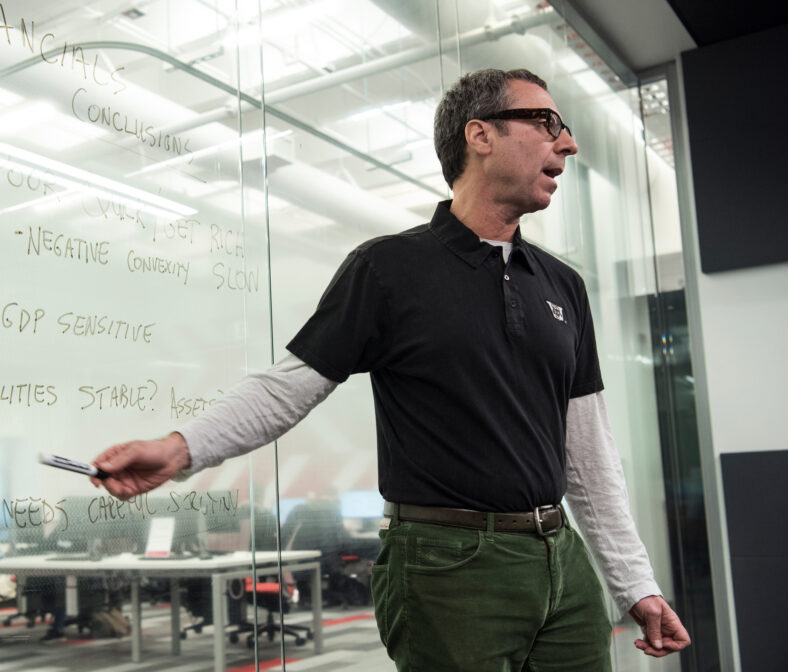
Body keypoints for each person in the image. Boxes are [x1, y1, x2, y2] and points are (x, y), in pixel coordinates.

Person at [91, 68, 691, 670]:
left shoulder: (564, 285)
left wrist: (633, 582)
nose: (568, 143)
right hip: (447, 565)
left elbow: (588, 454)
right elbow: (287, 389)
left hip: (562, 559)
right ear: (480, 135)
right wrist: (179, 449)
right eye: (546, 123)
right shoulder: (388, 269)